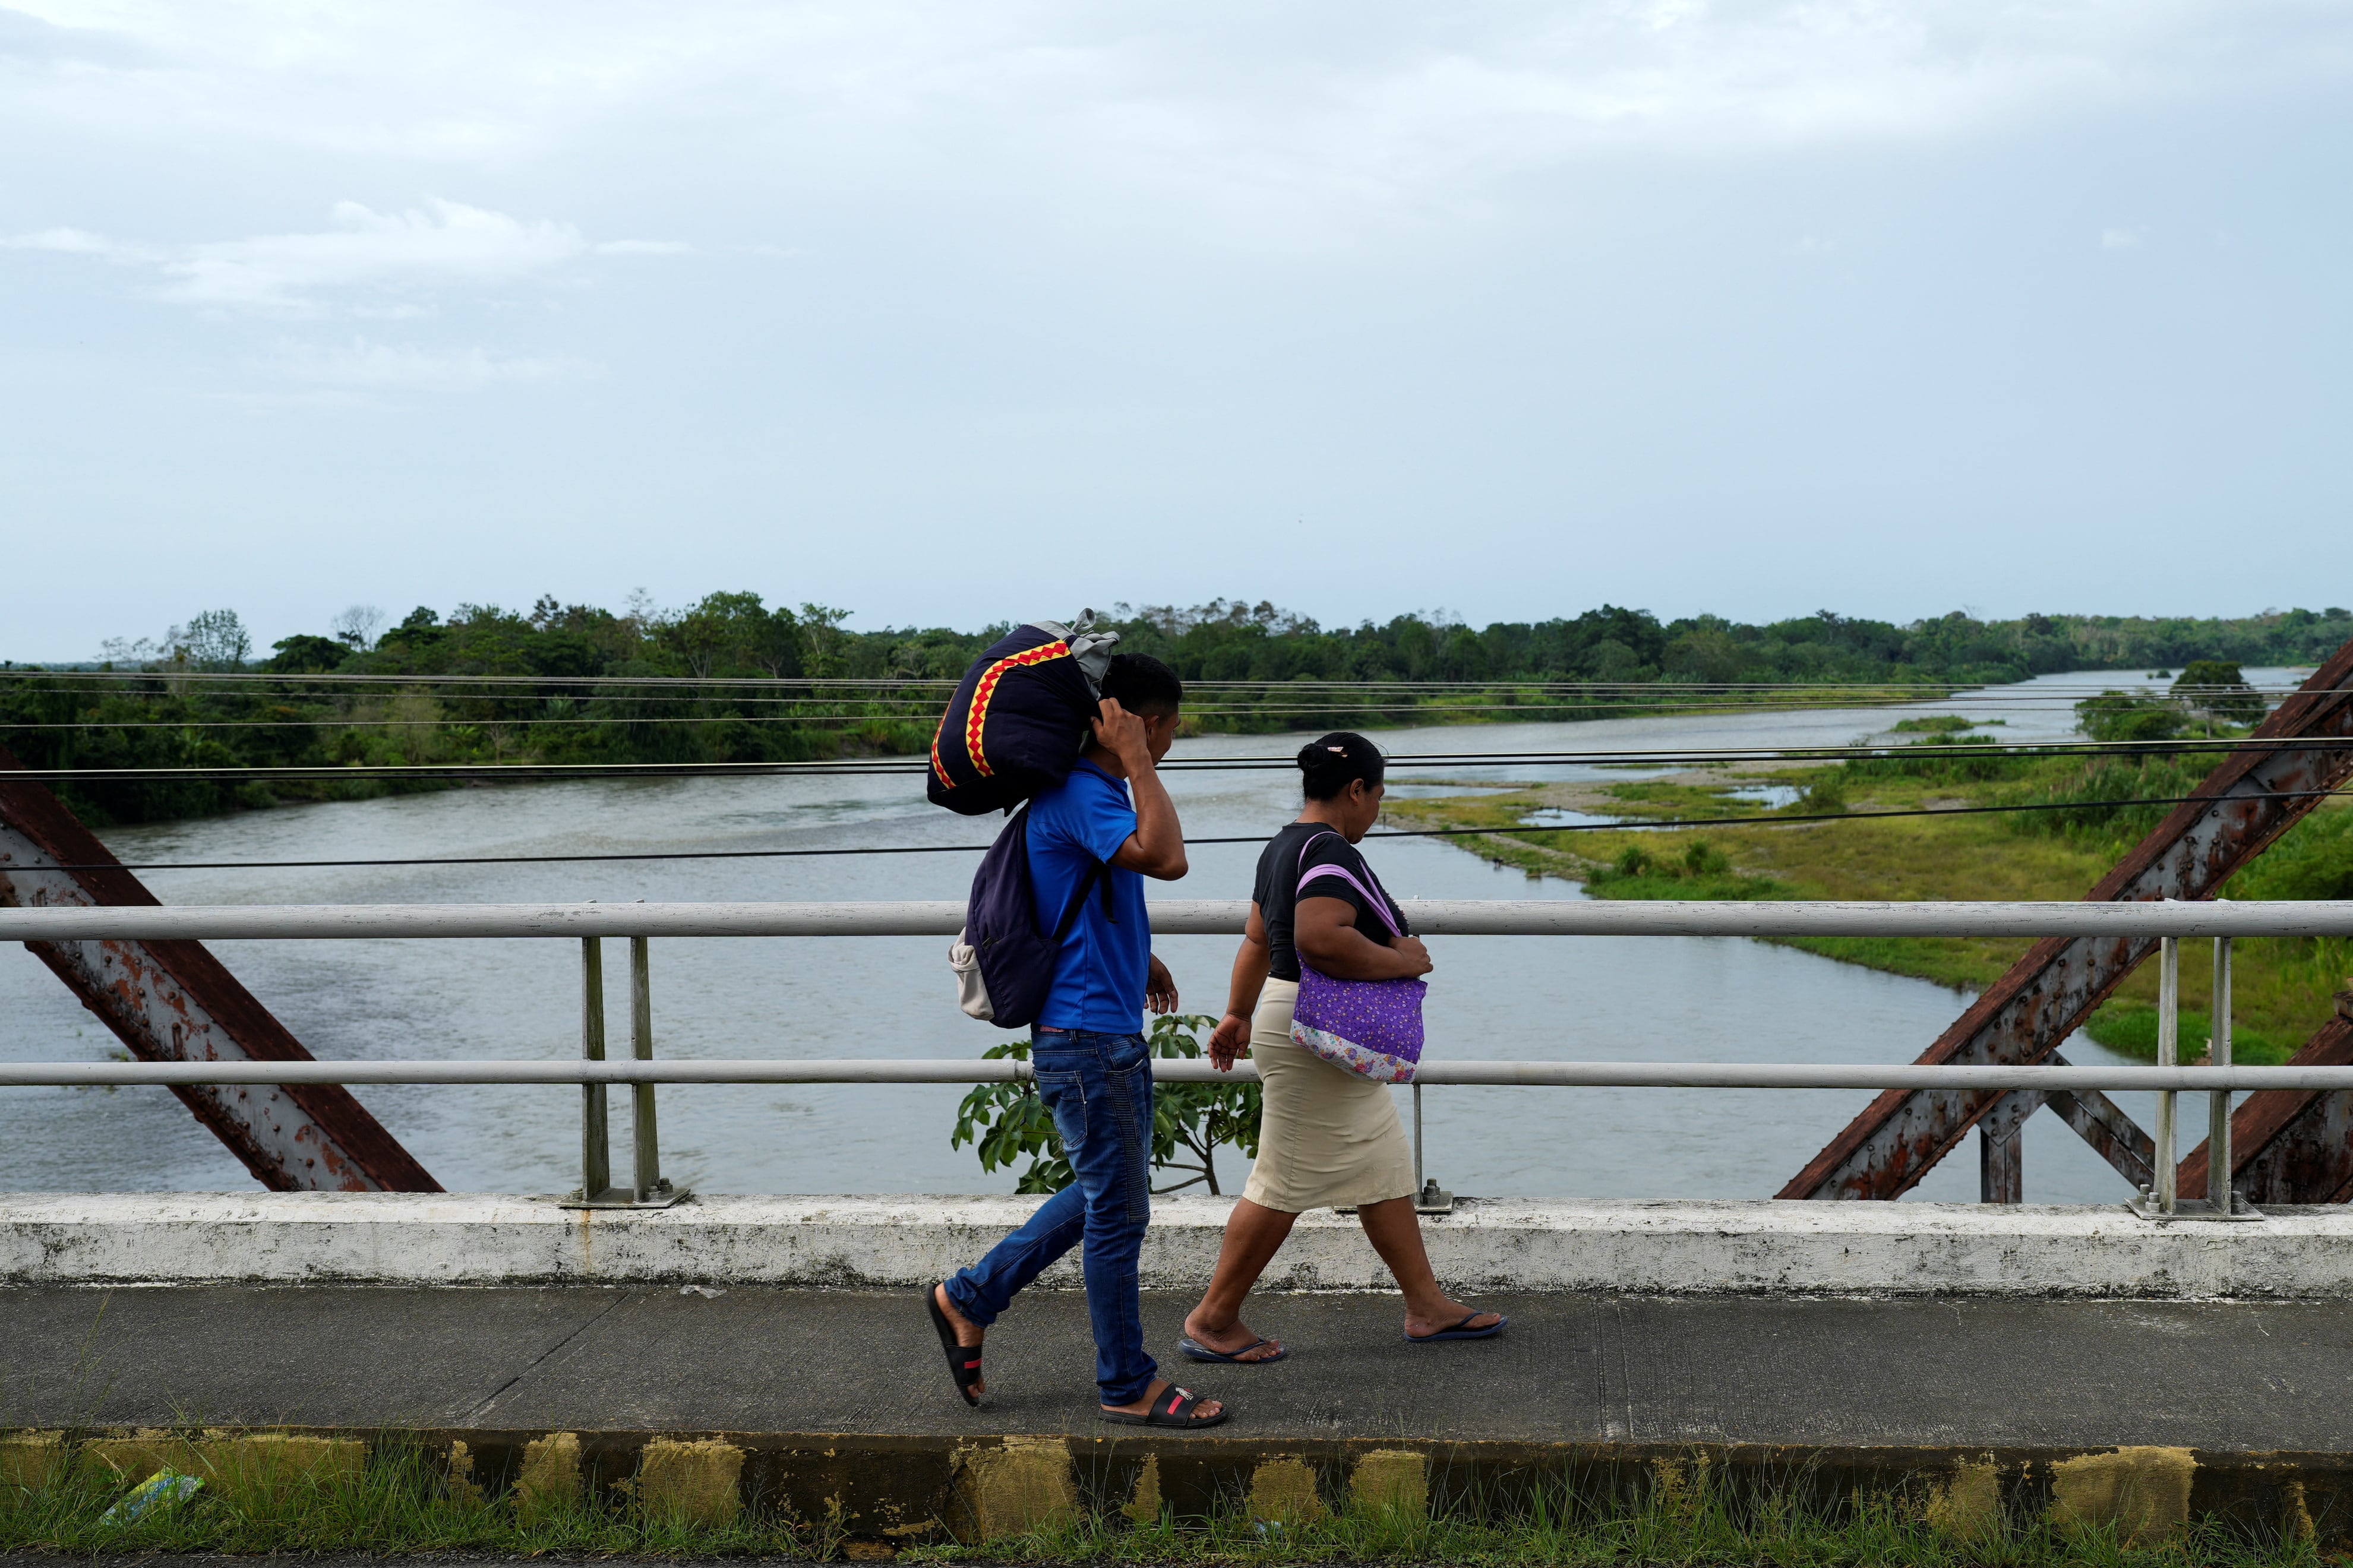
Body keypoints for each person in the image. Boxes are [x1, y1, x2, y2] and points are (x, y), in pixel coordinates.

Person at [924, 653, 1229, 1428]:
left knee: (1107, 1199)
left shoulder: (1083, 795)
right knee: (1120, 1215)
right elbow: (1167, 859)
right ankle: (1125, 1381)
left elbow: (1094, 887)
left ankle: (969, 1297)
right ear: (1144, 722)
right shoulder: (1090, 791)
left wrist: (1141, 955)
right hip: (1087, 1043)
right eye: (1168, 731)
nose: (1169, 744)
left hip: (1099, 1031)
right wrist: (1133, 761)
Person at [1178, 732, 1505, 1364]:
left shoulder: (1282, 846)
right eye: (1377, 797)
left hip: (1284, 1010)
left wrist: (1236, 1013)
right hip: (1308, 1026)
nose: (1376, 812)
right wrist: (1399, 958)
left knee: (1381, 1165)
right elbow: (1319, 938)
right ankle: (1213, 1320)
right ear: (1356, 790)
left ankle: (1427, 1306)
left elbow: (1256, 940)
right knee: (1281, 1179)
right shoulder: (1328, 849)